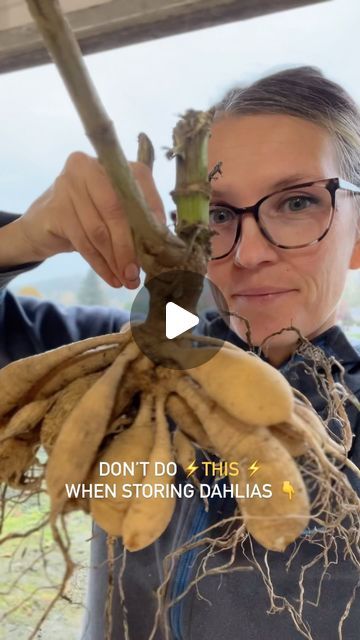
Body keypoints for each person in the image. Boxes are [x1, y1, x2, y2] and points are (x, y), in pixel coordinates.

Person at [0, 66, 359, 639]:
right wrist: (18, 241)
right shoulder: (120, 365)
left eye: (297, 203)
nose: (248, 254)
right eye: (217, 215)